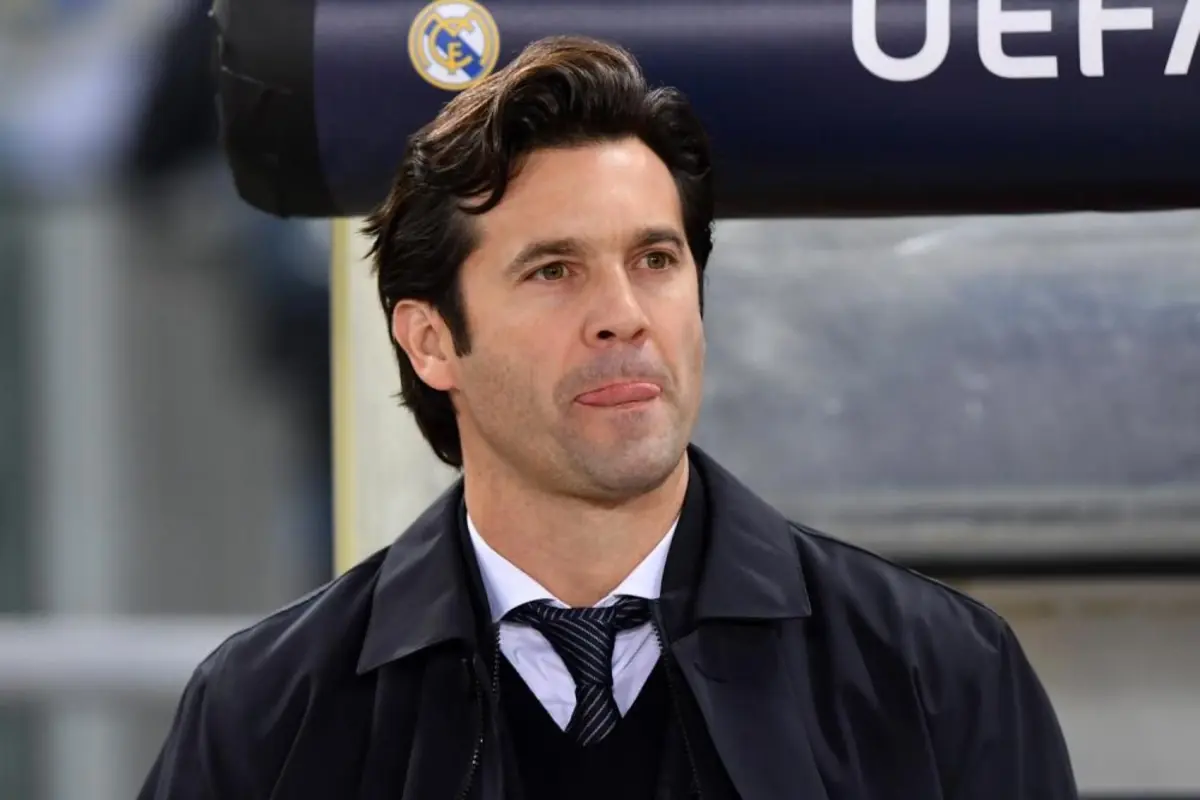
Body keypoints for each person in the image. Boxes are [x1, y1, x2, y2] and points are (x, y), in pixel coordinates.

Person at [139, 35, 1078, 800]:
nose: (624, 315)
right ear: (431, 342)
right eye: (554, 270)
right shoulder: (268, 718)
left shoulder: (935, 679)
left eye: (656, 261)